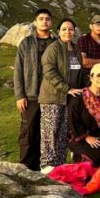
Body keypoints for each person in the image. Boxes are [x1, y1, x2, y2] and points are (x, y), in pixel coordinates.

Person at [37, 18, 83, 173]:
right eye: (64, 29)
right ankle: (47, 165)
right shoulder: (54, 48)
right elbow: (49, 71)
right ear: (58, 32)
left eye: (70, 29)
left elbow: (79, 72)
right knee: (50, 131)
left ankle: (60, 164)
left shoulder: (76, 50)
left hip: (68, 99)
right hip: (52, 97)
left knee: (63, 132)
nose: (67, 32)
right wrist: (66, 88)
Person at [14, 8, 57, 171]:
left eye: (47, 19)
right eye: (41, 19)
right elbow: (18, 71)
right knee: (28, 132)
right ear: (35, 22)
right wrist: (20, 95)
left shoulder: (56, 44)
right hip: (30, 95)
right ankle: (25, 166)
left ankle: (44, 166)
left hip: (51, 96)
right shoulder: (26, 43)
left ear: (51, 22)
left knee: (47, 132)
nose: (44, 21)